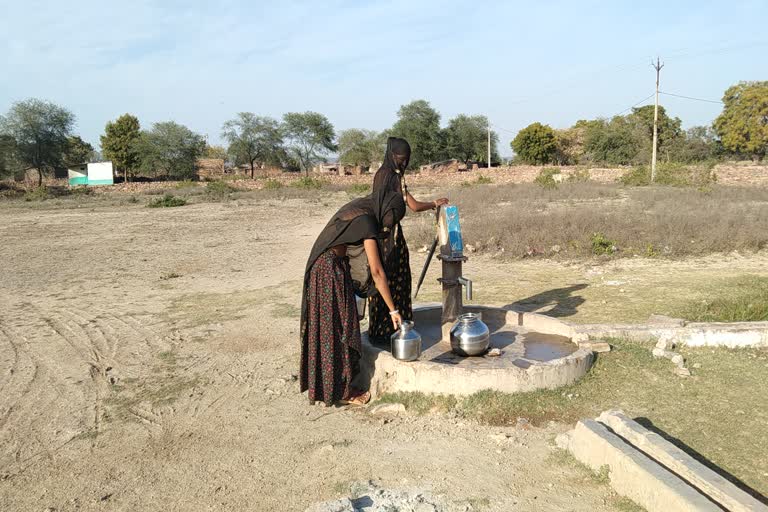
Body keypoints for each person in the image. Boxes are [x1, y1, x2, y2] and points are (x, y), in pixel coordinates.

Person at [300, 184, 406, 406]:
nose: (389, 223)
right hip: (329, 271)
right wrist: (393, 310)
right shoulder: (367, 222)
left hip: (326, 267)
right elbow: (377, 272)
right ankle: (343, 391)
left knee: (331, 328)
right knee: (339, 330)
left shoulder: (359, 209)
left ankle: (330, 386)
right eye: (391, 217)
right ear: (385, 210)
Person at [367, 137, 449, 345]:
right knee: (390, 281)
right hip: (387, 238)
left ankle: (391, 329)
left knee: (391, 282)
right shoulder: (389, 177)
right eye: (400, 159)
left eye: (405, 160)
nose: (403, 163)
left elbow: (411, 204)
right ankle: (391, 330)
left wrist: (433, 203)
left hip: (386, 236)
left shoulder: (388, 175)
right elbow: (398, 207)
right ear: (391, 156)